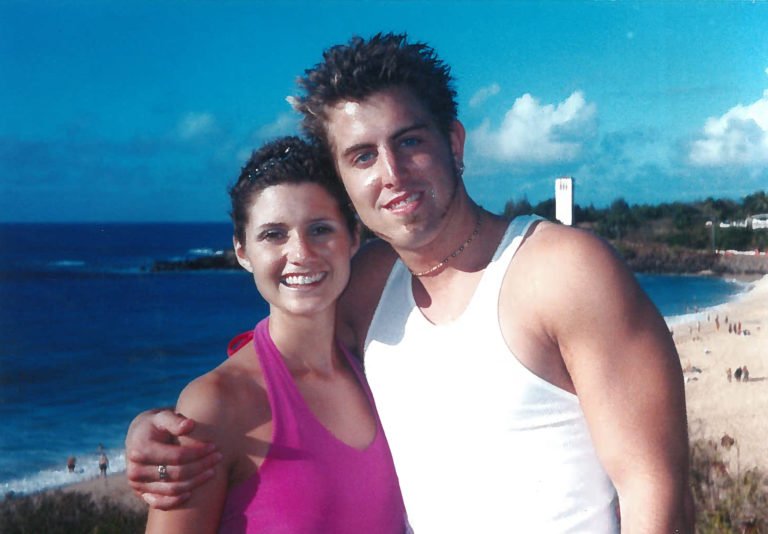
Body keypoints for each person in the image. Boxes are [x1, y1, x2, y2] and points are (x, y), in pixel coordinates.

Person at [126, 33, 693, 532]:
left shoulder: (559, 270)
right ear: (345, 182)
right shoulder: (369, 287)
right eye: (362, 156)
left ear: (454, 143)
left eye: (410, 141)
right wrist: (161, 423)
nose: (391, 173)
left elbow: (654, 490)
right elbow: (279, 361)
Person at [145, 136, 407, 533]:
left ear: (354, 236)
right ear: (242, 251)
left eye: (320, 229)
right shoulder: (217, 404)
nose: (300, 252)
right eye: (273, 234)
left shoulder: (381, 369)